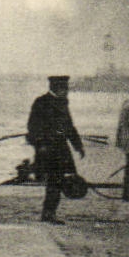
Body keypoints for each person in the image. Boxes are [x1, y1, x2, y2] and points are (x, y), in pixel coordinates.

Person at [27, 75, 84, 223]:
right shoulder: (41, 102)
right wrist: (41, 145)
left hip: (61, 150)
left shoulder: (62, 103)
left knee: (57, 182)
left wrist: (78, 146)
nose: (66, 91)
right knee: (54, 181)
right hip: (47, 150)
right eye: (64, 88)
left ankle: (49, 213)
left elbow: (69, 127)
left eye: (66, 88)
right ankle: (48, 214)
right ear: (54, 88)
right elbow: (32, 127)